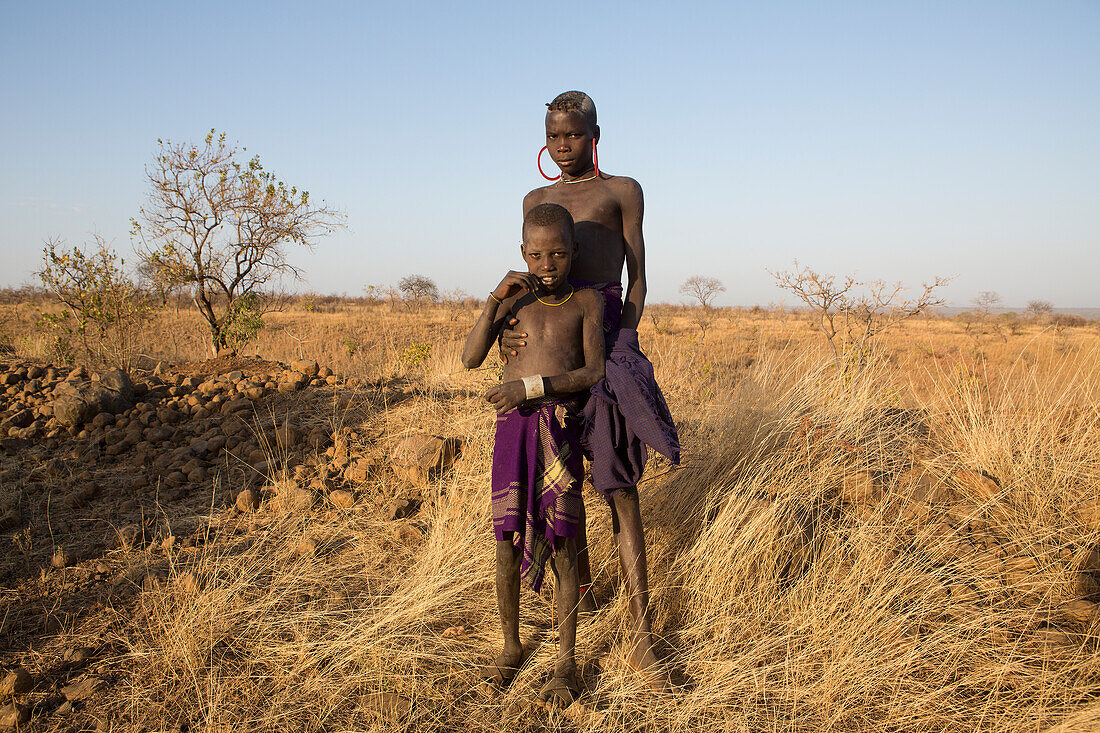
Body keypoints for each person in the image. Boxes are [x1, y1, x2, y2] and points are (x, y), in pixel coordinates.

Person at [504, 90, 680, 691]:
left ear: (596, 133)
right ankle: (566, 649)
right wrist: (517, 332)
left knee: (620, 488)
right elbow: (533, 275)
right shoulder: (536, 200)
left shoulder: (622, 192)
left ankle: (642, 635)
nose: (562, 146)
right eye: (553, 136)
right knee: (560, 496)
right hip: (552, 351)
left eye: (574, 136)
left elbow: (638, 279)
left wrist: (622, 344)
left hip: (605, 342)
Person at [462, 202, 605, 707]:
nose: (548, 264)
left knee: (563, 538)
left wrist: (531, 386)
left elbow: (593, 373)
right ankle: (511, 645)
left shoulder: (586, 302)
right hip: (512, 431)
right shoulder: (513, 303)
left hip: (557, 427)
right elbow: (470, 358)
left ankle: (565, 659)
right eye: (538, 254)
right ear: (522, 252)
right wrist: (491, 306)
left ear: (575, 253)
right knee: (506, 539)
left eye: (559, 254)